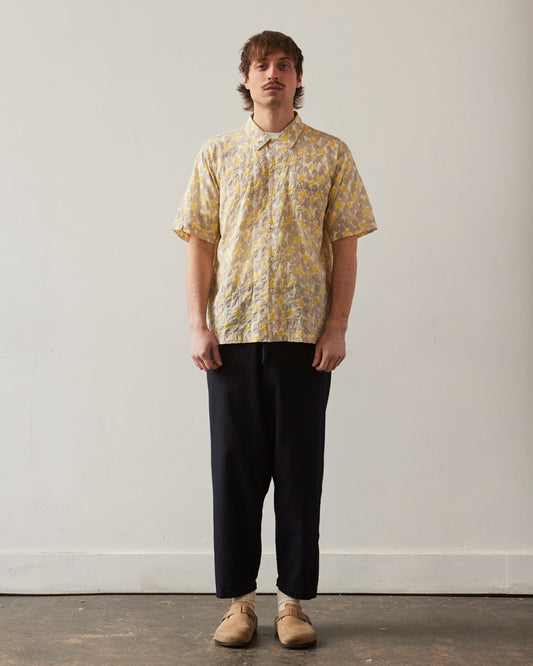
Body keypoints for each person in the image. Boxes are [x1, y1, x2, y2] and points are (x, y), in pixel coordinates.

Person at [171, 30, 377, 649]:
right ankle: (239, 604)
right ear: (245, 78)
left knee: (298, 473)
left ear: (298, 78)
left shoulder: (331, 154)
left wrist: (337, 326)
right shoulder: (217, 154)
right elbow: (199, 244)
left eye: (284, 66)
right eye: (261, 66)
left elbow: (345, 245)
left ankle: (292, 605)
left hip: (304, 338)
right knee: (235, 473)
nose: (272, 75)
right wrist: (198, 324)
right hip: (232, 336)